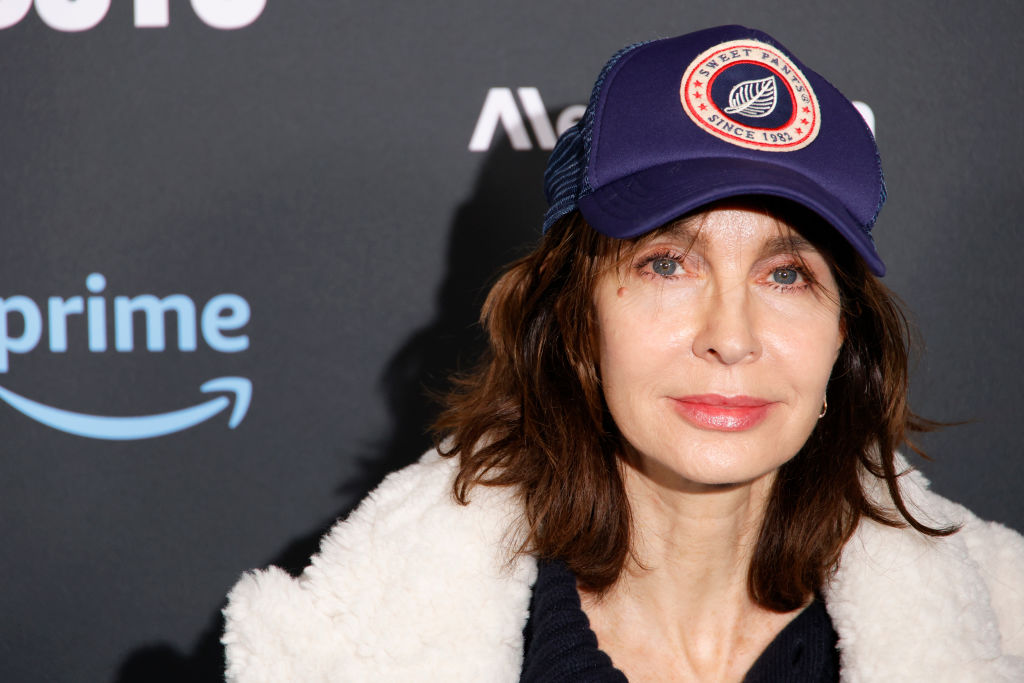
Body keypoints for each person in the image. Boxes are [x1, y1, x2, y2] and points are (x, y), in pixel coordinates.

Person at [222, 25, 1024, 681]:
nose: (732, 336)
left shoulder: (1000, 625)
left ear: (843, 330)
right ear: (576, 313)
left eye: (787, 274)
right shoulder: (358, 650)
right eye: (667, 264)